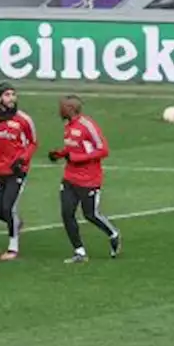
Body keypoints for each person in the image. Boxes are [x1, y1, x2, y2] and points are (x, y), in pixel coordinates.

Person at [50, 96, 121, 263]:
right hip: (70, 178)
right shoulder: (68, 126)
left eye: (62, 107)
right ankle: (79, 251)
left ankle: (113, 233)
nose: (59, 110)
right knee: (67, 213)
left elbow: (103, 150)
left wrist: (77, 157)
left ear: (71, 108)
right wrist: (59, 154)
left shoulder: (87, 125)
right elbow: (72, 149)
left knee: (90, 215)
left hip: (89, 179)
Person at [0, 82, 37, 261]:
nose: (11, 98)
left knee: (8, 207)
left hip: (16, 170)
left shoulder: (23, 120)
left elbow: (32, 142)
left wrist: (22, 160)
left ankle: (13, 247)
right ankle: (16, 223)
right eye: (7, 94)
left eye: (13, 94)